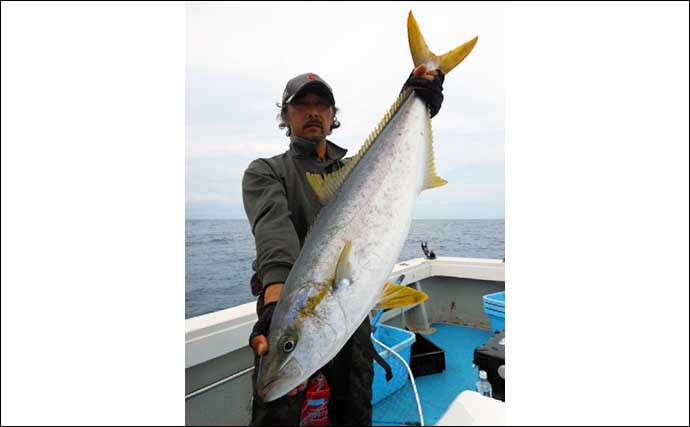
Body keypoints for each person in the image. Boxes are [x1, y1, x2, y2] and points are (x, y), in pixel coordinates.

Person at [241, 65, 444, 426]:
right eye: (302, 105)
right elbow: (274, 232)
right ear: (285, 116)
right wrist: (276, 302)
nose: (314, 112)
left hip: (352, 311)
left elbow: (398, 157)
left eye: (323, 105)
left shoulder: (359, 169)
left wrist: (415, 102)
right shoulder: (266, 172)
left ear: (334, 116)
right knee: (277, 414)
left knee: (354, 409)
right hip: (285, 307)